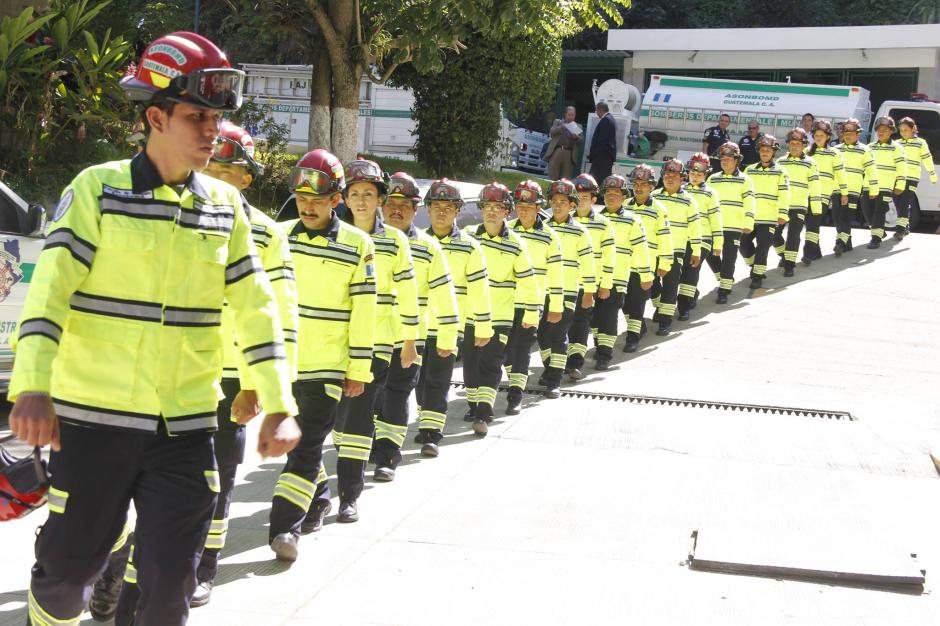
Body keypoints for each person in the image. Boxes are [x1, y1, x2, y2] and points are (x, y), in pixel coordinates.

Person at [8, 31, 300, 626]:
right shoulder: (98, 190)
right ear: (155, 117)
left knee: (170, 590)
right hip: (93, 423)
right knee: (66, 579)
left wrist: (277, 400)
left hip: (185, 429)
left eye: (215, 117)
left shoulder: (225, 209)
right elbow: (50, 293)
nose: (211, 130)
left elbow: (258, 308)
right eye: (197, 116)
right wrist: (32, 386)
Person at [268, 149, 376, 560]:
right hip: (281, 364)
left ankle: (284, 531)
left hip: (328, 366)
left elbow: (364, 311)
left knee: (307, 444)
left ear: (336, 200)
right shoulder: (276, 237)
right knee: (296, 447)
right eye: (301, 199)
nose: (308, 207)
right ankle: (318, 496)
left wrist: (358, 369)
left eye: (317, 199)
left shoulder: (358, 245)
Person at [331, 158, 418, 523]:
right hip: (330, 340)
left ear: (380, 198)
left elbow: (410, 292)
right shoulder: (330, 234)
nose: (362, 201)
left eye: (369, 194)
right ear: (344, 199)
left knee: (359, 416)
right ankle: (323, 488)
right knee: (334, 420)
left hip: (377, 342)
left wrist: (410, 339)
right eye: (355, 194)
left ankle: (349, 495)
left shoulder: (396, 241)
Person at [383, 172, 460, 458]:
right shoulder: (364, 241)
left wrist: (449, 334)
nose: (396, 209)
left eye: (404, 204)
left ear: (415, 209)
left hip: (420, 330)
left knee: (430, 384)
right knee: (378, 395)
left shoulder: (430, 248)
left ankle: (427, 434)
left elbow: (446, 294)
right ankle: (374, 444)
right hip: (374, 334)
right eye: (390, 202)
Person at [416, 180, 493, 429]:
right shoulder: (415, 244)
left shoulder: (471, 247)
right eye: (436, 206)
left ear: (457, 211)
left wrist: (483, 326)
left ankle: (431, 433)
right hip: (416, 325)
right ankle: (425, 417)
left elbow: (480, 290)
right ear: (427, 209)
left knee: (438, 380)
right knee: (418, 383)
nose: (441, 211)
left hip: (450, 326)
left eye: (448, 207)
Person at [464, 183, 539, 435]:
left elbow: (529, 282)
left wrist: (531, 312)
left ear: (507, 211)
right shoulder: (468, 237)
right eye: (487, 206)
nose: (491, 212)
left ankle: (484, 412)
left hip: (501, 315)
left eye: (498, 207)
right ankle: (475, 404)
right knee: (471, 364)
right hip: (471, 313)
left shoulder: (517, 245)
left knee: (491, 363)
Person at [506, 180, 566, 412]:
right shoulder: (506, 230)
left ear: (539, 207)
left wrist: (556, 306)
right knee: (506, 353)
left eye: (529, 206)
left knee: (521, 350)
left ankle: (515, 395)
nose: (523, 209)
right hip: (505, 303)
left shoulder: (550, 237)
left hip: (531, 304)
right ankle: (514, 383)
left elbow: (557, 275)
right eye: (520, 205)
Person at [541, 179, 594, 392]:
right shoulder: (542, 229)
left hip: (569, 291)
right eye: (555, 200)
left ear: (572, 204)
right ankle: (551, 367)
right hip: (543, 291)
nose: (558, 205)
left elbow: (589, 264)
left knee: (558, 335)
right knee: (543, 336)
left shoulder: (581, 232)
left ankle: (554, 381)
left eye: (563, 201)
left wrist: (589, 291)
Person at [599, 174, 653, 365]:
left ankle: (632, 337)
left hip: (625, 274)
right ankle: (601, 348)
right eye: (608, 193)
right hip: (599, 276)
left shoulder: (633, 221)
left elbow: (641, 249)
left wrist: (646, 275)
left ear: (623, 197)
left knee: (632, 305)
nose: (611, 196)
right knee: (600, 316)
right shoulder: (597, 218)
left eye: (616, 193)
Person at [566, 174, 614, 376]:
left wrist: (605, 284)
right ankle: (573, 361)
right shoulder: (563, 222)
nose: (581, 199)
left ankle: (601, 356)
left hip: (595, 281)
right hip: (570, 282)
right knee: (575, 322)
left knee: (599, 321)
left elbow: (610, 256)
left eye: (585, 196)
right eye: (577, 196)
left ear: (594, 199)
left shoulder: (604, 224)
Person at [621, 165, 671, 351]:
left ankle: (633, 337)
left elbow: (665, 238)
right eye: (636, 183)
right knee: (623, 302)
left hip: (645, 265)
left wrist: (665, 263)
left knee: (637, 302)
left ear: (652, 186)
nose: (639, 187)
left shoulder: (660, 210)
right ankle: (638, 326)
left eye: (644, 184)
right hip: (623, 264)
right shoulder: (624, 206)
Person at [652, 159, 702, 334]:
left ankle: (665, 320)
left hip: (676, 250)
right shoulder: (654, 197)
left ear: (682, 178)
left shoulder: (689, 201)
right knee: (651, 284)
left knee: (670, 285)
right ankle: (661, 306)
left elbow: (696, 228)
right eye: (667, 175)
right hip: (653, 250)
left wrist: (696, 251)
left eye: (674, 175)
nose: (670, 178)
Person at [706, 142, 755, 303]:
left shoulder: (745, 180)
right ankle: (725, 278)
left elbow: (749, 203)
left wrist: (748, 223)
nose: (725, 161)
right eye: (722, 158)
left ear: (737, 160)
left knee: (729, 258)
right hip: (714, 226)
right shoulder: (712, 179)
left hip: (734, 226)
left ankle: (724, 290)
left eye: (729, 158)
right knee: (709, 255)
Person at [742, 135, 789, 289]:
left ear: (774, 152)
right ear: (758, 151)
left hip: (769, 218)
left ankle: (757, 276)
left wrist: (782, 214)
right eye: (763, 150)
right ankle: (755, 266)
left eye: (768, 150)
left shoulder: (781, 171)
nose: (765, 153)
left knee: (763, 248)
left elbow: (784, 194)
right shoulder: (749, 170)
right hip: (750, 217)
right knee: (743, 245)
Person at [680, 153, 723, 318]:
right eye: (693, 173)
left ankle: (684, 307)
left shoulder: (711, 194)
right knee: (679, 273)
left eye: (700, 174)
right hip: (683, 238)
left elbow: (716, 220)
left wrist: (717, 244)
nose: (696, 177)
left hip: (704, 239)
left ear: (706, 174)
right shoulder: (681, 191)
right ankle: (692, 293)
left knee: (691, 270)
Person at [775, 128, 822, 277]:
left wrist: (816, 208)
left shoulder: (811, 163)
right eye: (792, 143)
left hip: (799, 206)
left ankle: (789, 265)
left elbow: (815, 187)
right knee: (773, 235)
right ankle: (784, 255)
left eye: (798, 143)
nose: (794, 146)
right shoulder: (780, 162)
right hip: (780, 206)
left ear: (804, 145)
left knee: (793, 236)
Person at [833, 118, 879, 255]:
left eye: (851, 132)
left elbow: (872, 171)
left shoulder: (865, 150)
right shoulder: (835, 150)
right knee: (836, 217)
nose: (847, 135)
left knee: (846, 217)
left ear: (858, 134)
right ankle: (847, 243)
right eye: (845, 132)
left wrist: (874, 189)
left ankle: (840, 243)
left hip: (853, 191)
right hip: (836, 189)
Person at [805, 120, 848, 264]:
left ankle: (808, 253)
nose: (818, 138)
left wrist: (844, 192)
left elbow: (841, 174)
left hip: (823, 195)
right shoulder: (806, 152)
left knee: (813, 222)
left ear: (828, 136)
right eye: (816, 135)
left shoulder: (835, 153)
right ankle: (815, 252)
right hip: (807, 194)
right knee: (811, 224)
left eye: (821, 135)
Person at [863, 116, 905, 249]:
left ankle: (875, 239)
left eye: (885, 130)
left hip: (886, 186)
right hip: (868, 185)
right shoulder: (869, 147)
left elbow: (902, 167)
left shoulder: (897, 148)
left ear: (891, 131)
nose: (881, 132)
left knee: (879, 211)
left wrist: (900, 185)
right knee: (866, 210)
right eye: (879, 130)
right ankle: (880, 232)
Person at [895, 116, 935, 239]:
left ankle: (900, 230)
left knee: (904, 203)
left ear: (913, 129)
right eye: (901, 130)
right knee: (898, 203)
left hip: (912, 178)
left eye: (905, 130)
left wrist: (932, 174)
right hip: (898, 178)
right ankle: (905, 226)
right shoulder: (897, 144)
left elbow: (927, 159)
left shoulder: (920, 143)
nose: (903, 133)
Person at [545, 106, 581, 180]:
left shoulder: (577, 126)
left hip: (569, 153)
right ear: (565, 114)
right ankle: (551, 190)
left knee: (565, 178)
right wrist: (561, 127)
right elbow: (552, 133)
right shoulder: (558, 122)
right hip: (557, 150)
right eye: (569, 115)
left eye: (573, 115)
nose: (571, 117)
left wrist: (576, 137)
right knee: (553, 176)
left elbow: (581, 140)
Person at [588, 102, 617, 182]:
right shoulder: (610, 119)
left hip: (602, 159)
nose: (596, 113)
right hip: (605, 158)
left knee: (596, 180)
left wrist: (594, 154)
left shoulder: (606, 120)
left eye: (596, 111)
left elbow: (601, 140)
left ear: (600, 110)